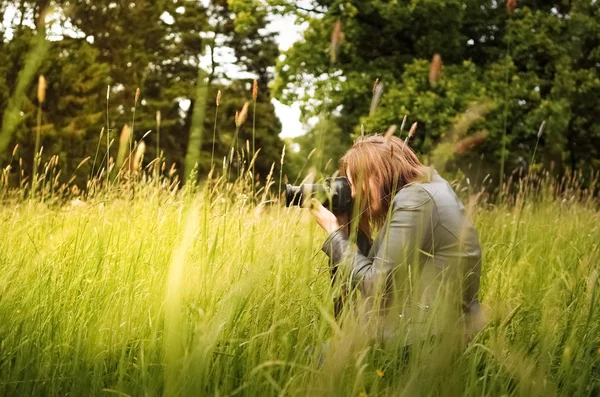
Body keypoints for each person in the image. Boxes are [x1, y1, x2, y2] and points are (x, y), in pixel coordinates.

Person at [309, 135, 485, 347]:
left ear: (377, 174)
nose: (354, 192)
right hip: (435, 329)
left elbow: (376, 287)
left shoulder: (415, 200)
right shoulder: (427, 189)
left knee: (310, 360)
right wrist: (355, 229)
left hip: (427, 339)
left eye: (356, 181)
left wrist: (334, 233)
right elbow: (379, 269)